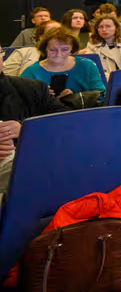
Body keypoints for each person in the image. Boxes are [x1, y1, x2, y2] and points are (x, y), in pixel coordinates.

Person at [0, 48, 70, 192]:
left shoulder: (32, 89)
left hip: (34, 170)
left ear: (2, 56)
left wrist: (26, 130)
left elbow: (66, 123)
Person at [21, 27, 105, 103]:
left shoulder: (87, 65)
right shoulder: (32, 71)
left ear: (72, 49)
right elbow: (21, 100)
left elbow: (101, 95)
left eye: (65, 49)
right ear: (45, 49)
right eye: (53, 50)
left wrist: (75, 96)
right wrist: (41, 96)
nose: (59, 54)